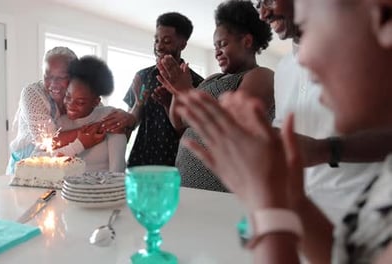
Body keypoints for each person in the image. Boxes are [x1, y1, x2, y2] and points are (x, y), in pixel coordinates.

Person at [175, 0, 392, 262]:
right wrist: (286, 197)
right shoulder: (285, 72)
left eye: (308, 26)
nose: (304, 58)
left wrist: (271, 213)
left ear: (383, 17)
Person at [256, 0, 392, 223]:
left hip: (359, 211)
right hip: (307, 216)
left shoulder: (364, 52)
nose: (262, 13)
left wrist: (326, 150)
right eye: (257, 4)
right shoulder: (283, 69)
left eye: (268, 0)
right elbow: (283, 128)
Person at [157, 0, 274, 192]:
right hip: (187, 185)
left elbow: (232, 125)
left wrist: (187, 93)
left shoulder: (260, 76)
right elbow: (179, 121)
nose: (217, 52)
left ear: (247, 41)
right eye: (215, 46)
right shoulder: (212, 79)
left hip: (225, 191)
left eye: (223, 44)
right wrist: (178, 94)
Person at [7, 47, 124, 174]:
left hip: (56, 167)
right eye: (48, 76)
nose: (53, 84)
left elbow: (99, 113)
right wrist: (89, 133)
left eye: (61, 77)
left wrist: (122, 119)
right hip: (25, 165)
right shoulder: (33, 93)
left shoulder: (81, 93)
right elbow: (46, 141)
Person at [122, 12, 204, 167]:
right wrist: (138, 104)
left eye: (166, 41)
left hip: (177, 167)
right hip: (140, 163)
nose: (159, 46)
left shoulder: (197, 83)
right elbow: (130, 124)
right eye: (157, 40)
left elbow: (193, 136)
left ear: (183, 44)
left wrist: (169, 104)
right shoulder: (143, 76)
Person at [53, 56, 126, 172]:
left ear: (96, 102)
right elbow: (46, 160)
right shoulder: (60, 122)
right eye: (68, 96)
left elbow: (117, 170)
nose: (70, 105)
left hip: (103, 187)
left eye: (80, 102)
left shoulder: (110, 116)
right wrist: (80, 144)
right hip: (69, 188)